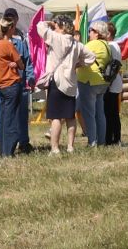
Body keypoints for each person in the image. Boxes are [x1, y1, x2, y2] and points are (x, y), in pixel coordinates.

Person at [39, 16, 81, 154]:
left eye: (56, 25)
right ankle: (70, 147)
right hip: (70, 83)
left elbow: (40, 27)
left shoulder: (56, 39)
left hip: (56, 81)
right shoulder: (76, 44)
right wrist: (77, 64)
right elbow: (91, 57)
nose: (54, 27)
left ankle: (55, 148)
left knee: (56, 117)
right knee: (70, 117)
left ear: (62, 27)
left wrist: (48, 23)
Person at [0, 13, 27, 158]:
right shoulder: (8, 44)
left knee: (5, 118)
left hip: (2, 85)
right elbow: (21, 65)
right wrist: (15, 64)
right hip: (12, 83)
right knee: (12, 119)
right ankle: (9, 151)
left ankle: (3, 151)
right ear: (10, 29)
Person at [78, 20, 112, 142]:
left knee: (89, 114)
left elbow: (78, 55)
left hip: (89, 81)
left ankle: (92, 141)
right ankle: (101, 141)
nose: (89, 33)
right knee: (100, 113)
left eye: (91, 31)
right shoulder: (106, 45)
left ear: (97, 33)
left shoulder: (92, 44)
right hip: (102, 82)